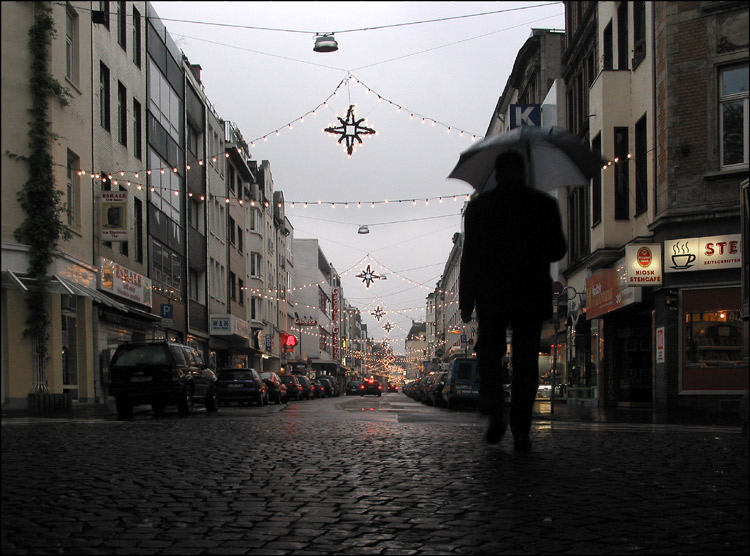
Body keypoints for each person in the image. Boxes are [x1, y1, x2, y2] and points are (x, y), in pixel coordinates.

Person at [459, 150, 567, 450]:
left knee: (490, 352)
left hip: (492, 294)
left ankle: (494, 407)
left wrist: (466, 302)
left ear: (497, 173)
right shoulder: (544, 204)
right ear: (524, 171)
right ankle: (521, 430)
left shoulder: (480, 207)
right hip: (530, 294)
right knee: (525, 361)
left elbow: (470, 260)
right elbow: (558, 249)